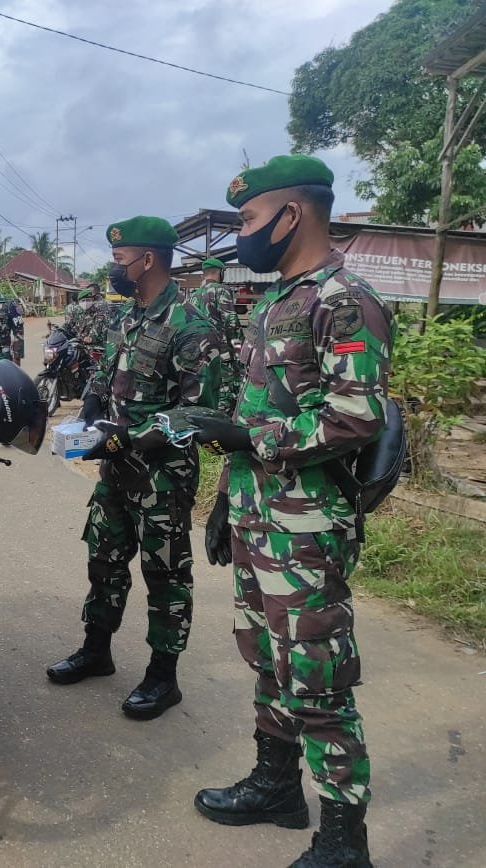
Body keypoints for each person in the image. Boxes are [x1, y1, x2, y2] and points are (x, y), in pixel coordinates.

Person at [188, 155, 392, 868]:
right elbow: (255, 408)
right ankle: (276, 786)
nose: (241, 233)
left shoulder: (345, 300)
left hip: (305, 527)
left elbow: (355, 416)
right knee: (267, 659)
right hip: (259, 518)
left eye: (248, 218)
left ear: (292, 214)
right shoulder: (278, 299)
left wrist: (251, 439)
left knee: (317, 677)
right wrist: (225, 498)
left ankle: (344, 841)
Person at [45, 216, 222, 721]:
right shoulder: (127, 316)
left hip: (162, 478)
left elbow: (199, 411)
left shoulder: (191, 326)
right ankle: (96, 650)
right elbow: (105, 374)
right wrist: (89, 409)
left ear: (147, 260)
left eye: (119, 260)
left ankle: (163, 677)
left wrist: (135, 437)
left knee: (165, 576)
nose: (113, 269)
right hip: (115, 471)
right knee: (103, 561)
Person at [187, 257, 244, 413]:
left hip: (199, 355)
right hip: (221, 355)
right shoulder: (221, 290)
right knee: (224, 397)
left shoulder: (193, 295)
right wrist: (240, 352)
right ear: (219, 272)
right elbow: (232, 324)